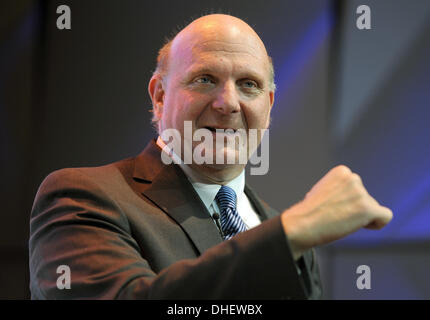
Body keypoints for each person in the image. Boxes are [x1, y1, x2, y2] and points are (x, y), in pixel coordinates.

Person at [29, 14, 392, 299]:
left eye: (248, 85)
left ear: (268, 106)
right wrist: (290, 233)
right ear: (159, 96)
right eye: (204, 79)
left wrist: (288, 233)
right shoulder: (81, 196)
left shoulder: (279, 227)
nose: (228, 103)